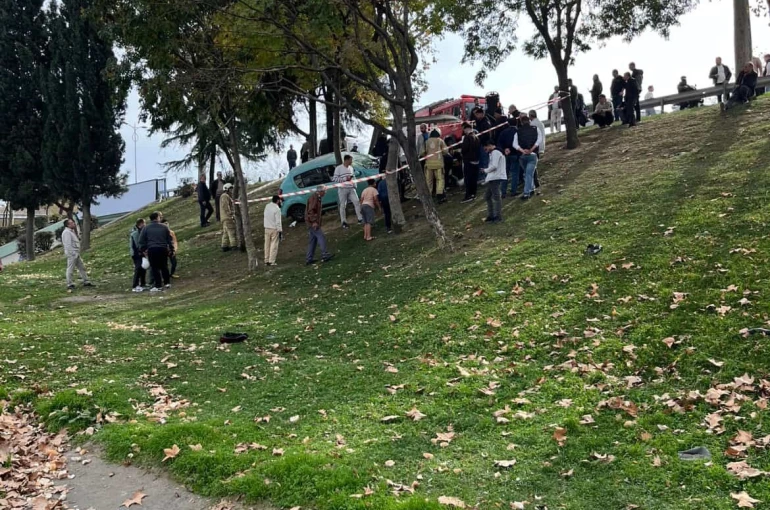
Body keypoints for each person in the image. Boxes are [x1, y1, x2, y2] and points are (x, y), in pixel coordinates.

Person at [138, 212, 174, 292]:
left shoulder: (146, 228)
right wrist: (171, 249)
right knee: (164, 266)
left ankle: (158, 285)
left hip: (152, 249)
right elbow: (170, 239)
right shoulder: (164, 227)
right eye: (160, 217)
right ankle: (167, 283)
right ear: (157, 218)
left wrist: (144, 249)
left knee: (155, 268)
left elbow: (141, 240)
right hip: (163, 248)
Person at [513, 114, 543, 200]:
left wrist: (522, 150)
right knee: (529, 174)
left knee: (527, 173)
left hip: (522, 155)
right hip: (533, 154)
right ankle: (527, 192)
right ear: (529, 121)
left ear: (521, 122)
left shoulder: (518, 131)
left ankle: (530, 189)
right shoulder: (535, 129)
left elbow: (514, 144)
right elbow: (539, 140)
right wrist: (532, 149)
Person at [305, 186, 334, 264]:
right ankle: (325, 254)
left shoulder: (316, 197)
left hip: (310, 222)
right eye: (325, 191)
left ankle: (309, 258)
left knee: (312, 241)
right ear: (320, 191)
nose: (325, 193)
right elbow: (311, 211)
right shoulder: (314, 198)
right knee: (321, 237)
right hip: (312, 222)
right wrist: (314, 222)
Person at [333, 154, 363, 228]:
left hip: (351, 188)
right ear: (346, 160)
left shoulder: (351, 168)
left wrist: (354, 184)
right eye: (350, 160)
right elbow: (335, 178)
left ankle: (360, 218)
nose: (351, 162)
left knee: (356, 202)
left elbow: (353, 177)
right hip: (342, 189)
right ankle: (343, 221)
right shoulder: (338, 168)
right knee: (343, 205)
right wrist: (344, 179)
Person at [61, 219, 93, 290]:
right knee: (70, 268)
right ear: (68, 225)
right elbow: (67, 244)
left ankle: (86, 281)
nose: (74, 224)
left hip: (76, 253)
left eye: (73, 222)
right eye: (72, 223)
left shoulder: (70, 231)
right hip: (72, 254)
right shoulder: (66, 232)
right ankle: (70, 284)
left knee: (82, 267)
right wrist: (72, 253)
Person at [480, 141, 507, 223]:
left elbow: (494, 166)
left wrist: (485, 170)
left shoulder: (495, 152)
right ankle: (491, 215)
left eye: (486, 147)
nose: (485, 149)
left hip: (495, 177)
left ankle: (497, 216)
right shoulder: (493, 153)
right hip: (492, 177)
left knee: (496, 197)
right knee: (487, 196)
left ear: (489, 145)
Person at [424, 128, 449, 203]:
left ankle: (428, 197)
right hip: (438, 164)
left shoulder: (426, 142)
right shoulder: (440, 141)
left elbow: (422, 152)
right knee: (440, 179)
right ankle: (440, 196)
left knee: (429, 180)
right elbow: (445, 151)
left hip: (428, 164)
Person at [495, 117, 518, 198]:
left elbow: (499, 144)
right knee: (515, 173)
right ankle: (513, 191)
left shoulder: (503, 132)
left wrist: (504, 149)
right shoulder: (517, 132)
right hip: (515, 154)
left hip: (505, 155)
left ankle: (503, 192)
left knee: (505, 174)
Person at [460, 121, 481, 203]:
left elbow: (464, 149)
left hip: (468, 160)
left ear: (467, 128)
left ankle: (468, 195)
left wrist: (462, 152)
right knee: (474, 178)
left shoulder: (467, 137)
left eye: (464, 129)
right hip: (476, 160)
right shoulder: (476, 137)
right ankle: (473, 194)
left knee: (468, 179)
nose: (463, 131)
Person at [263, 195, 283, 266]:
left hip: (266, 228)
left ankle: (266, 260)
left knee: (267, 245)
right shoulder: (277, 209)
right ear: (277, 200)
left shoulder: (267, 206)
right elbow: (278, 221)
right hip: (274, 229)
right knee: (274, 245)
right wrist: (280, 230)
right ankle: (272, 261)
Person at [220, 183, 238, 252]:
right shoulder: (225, 196)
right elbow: (225, 206)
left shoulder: (225, 196)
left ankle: (224, 246)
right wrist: (231, 214)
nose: (231, 190)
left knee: (226, 233)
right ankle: (234, 246)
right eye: (230, 189)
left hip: (224, 218)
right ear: (226, 189)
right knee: (231, 231)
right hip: (227, 217)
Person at [129, 218, 146, 292]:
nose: (145, 225)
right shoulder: (135, 233)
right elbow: (136, 245)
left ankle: (142, 283)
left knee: (143, 268)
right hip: (137, 254)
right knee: (138, 268)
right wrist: (141, 252)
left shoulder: (141, 231)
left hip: (141, 253)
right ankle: (135, 284)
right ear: (140, 224)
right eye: (144, 223)